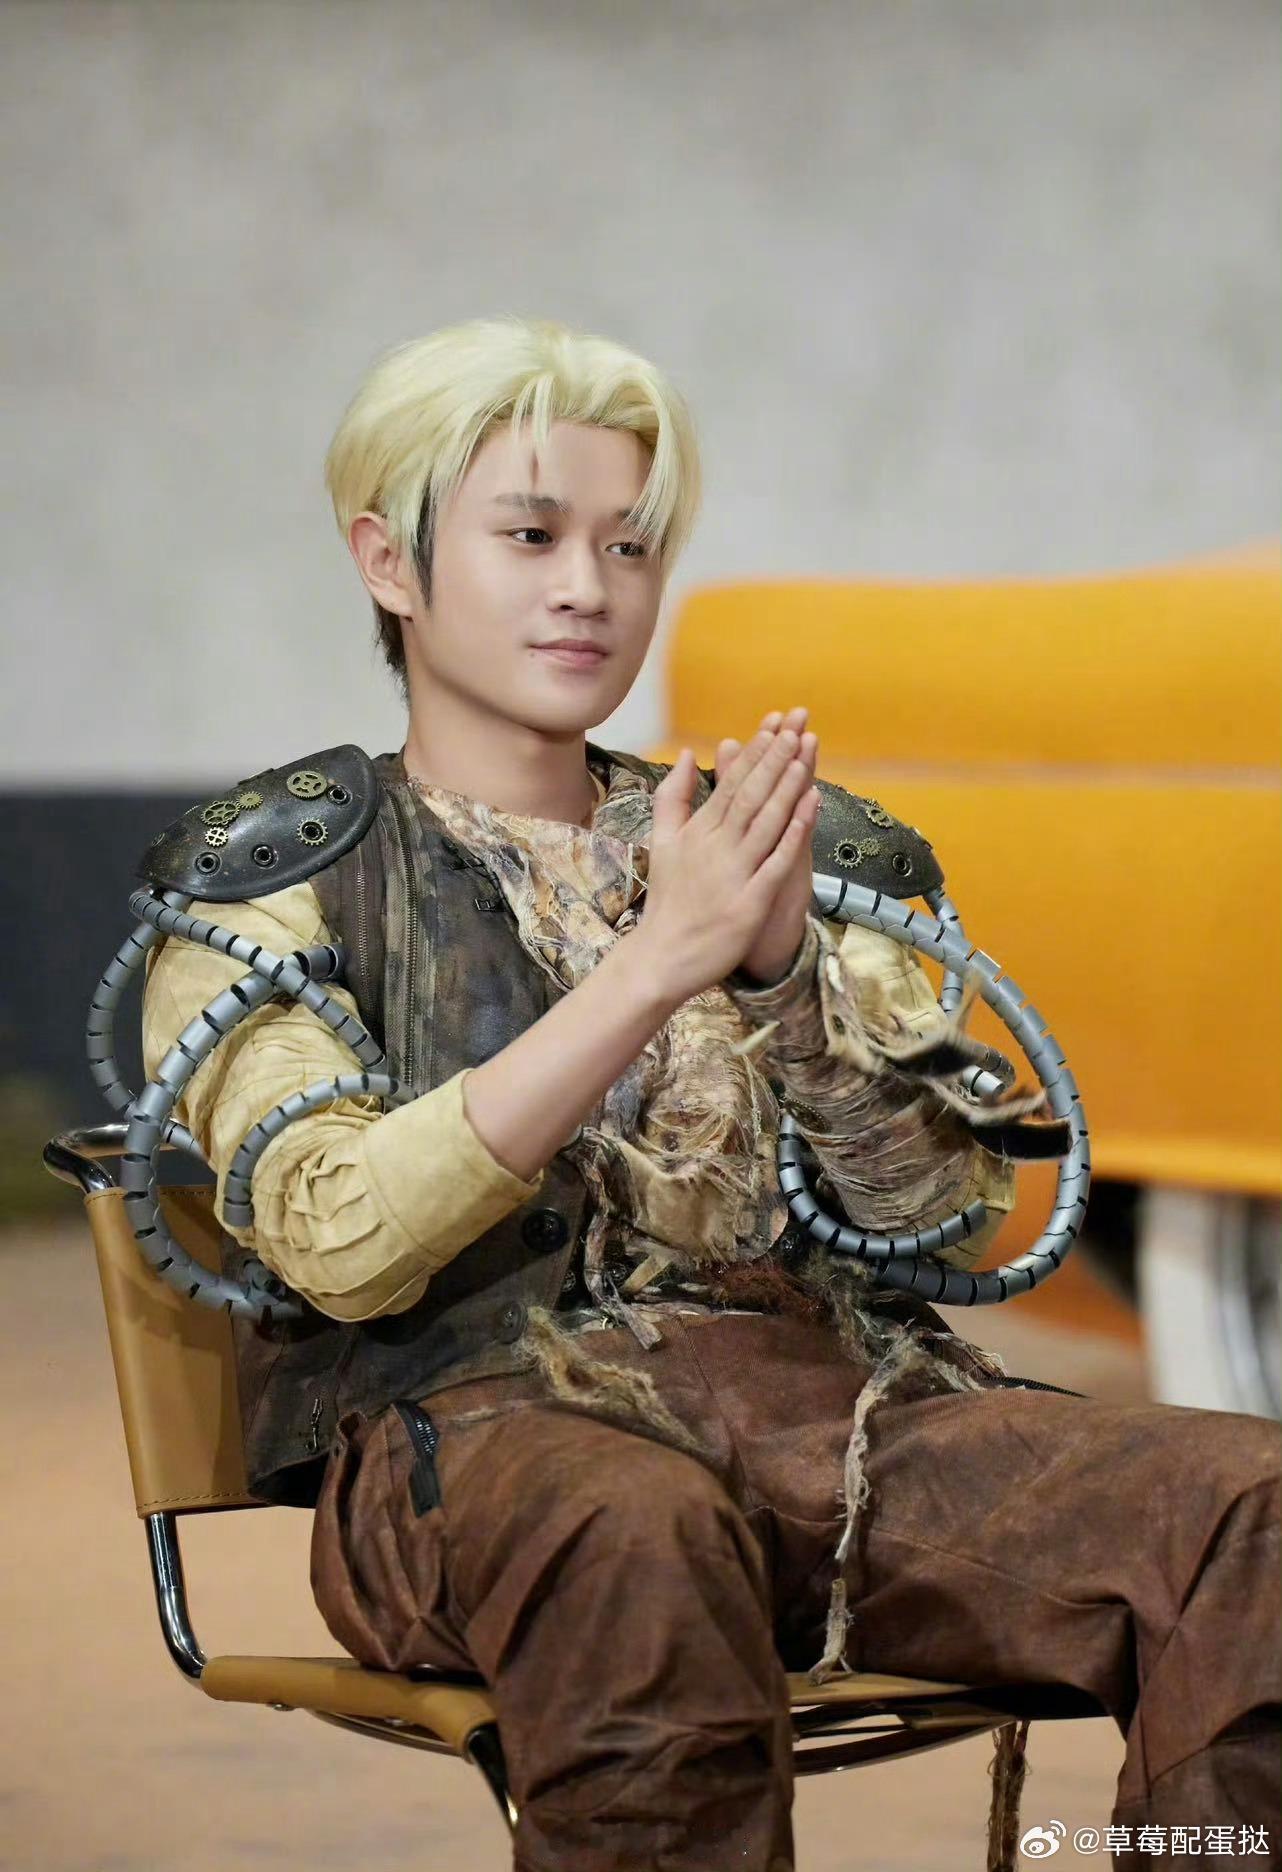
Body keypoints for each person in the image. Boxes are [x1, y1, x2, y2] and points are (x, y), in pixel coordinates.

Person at [141, 316, 1280, 1872]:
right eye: (530, 535)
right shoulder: (276, 884)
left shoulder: (755, 850)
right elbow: (335, 1239)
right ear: (388, 562)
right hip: (469, 1446)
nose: (587, 587)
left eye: (628, 544)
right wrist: (652, 968)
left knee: (1246, 1509)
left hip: (825, 1426)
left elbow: (941, 1215)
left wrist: (780, 980)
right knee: (637, 1529)